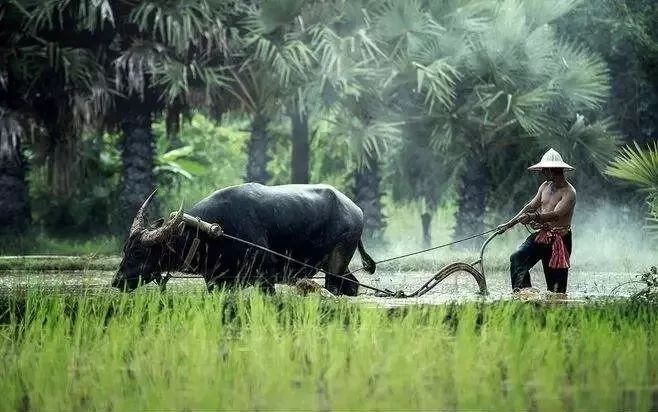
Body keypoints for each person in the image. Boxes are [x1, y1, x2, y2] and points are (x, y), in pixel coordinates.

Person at [496, 148, 577, 293]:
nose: (543, 172)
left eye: (545, 169)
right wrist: (509, 225)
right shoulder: (545, 186)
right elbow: (530, 206)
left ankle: (556, 306)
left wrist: (534, 217)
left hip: (560, 240)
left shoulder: (569, 192)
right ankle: (524, 293)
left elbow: (556, 215)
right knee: (517, 258)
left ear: (554, 170)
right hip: (542, 235)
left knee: (556, 289)